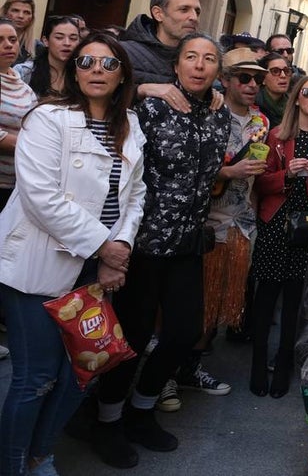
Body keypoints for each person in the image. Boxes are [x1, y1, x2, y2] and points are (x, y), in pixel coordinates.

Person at [0, 32, 144, 476]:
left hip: (95, 266)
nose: (96, 70)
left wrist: (120, 247)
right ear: (73, 71)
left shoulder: (130, 123)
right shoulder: (48, 118)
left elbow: (135, 194)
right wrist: (106, 248)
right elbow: (40, 197)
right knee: (37, 377)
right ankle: (13, 464)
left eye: (108, 63)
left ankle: (41, 455)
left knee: (82, 373)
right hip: (37, 264)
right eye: (86, 62)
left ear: (122, 75)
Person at [92, 32, 230, 468]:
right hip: (144, 242)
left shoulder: (220, 114)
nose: (199, 65)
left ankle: (141, 410)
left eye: (208, 59)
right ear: (176, 65)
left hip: (187, 243)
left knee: (184, 333)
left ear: (217, 70)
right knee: (131, 338)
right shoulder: (149, 109)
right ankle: (106, 420)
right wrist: (143, 89)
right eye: (191, 57)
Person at [170, 48, 270, 404]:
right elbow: (185, 168)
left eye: (257, 79)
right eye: (244, 77)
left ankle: (189, 369)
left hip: (240, 226)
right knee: (187, 306)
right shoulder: (208, 113)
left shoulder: (261, 123)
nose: (252, 84)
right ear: (225, 80)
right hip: (204, 223)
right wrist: (228, 171)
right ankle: (165, 374)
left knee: (216, 307)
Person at [251, 75, 308, 399]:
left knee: (295, 301)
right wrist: (288, 173)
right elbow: (260, 183)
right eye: (307, 92)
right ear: (297, 98)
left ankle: (283, 364)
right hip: (275, 225)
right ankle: (258, 365)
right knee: (266, 298)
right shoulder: (277, 136)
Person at [119, 0, 207, 109]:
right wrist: (139, 90)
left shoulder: (202, 58)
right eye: (184, 10)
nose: (194, 17)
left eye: (197, 11)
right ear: (158, 14)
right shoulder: (123, 53)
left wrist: (210, 94)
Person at [0, 19, 37, 211]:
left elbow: (35, 130)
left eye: (12, 40)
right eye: (0, 40)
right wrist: (29, 145)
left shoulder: (25, 89)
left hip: (14, 186)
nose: (8, 45)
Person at [15, 15, 82, 99]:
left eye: (73, 38)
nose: (67, 43)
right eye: (59, 37)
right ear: (46, 41)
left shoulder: (83, 74)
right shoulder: (24, 72)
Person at [257, 52, 293, 128]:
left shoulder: (293, 107)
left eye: (286, 71)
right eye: (275, 71)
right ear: (263, 78)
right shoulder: (253, 105)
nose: (283, 76)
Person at [1, 0, 36, 65]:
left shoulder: (38, 48)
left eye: (26, 12)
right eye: (15, 10)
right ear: (5, 13)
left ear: (32, 18)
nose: (21, 16)